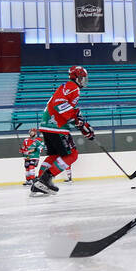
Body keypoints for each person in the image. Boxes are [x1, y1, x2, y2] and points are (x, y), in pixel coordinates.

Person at [31, 65, 92, 194]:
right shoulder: (73, 87)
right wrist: (77, 121)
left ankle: (38, 184)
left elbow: (67, 110)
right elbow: (59, 103)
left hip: (47, 125)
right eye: (82, 78)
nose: (83, 81)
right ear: (76, 78)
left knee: (54, 155)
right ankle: (45, 180)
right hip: (56, 126)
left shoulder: (67, 87)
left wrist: (81, 124)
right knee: (72, 155)